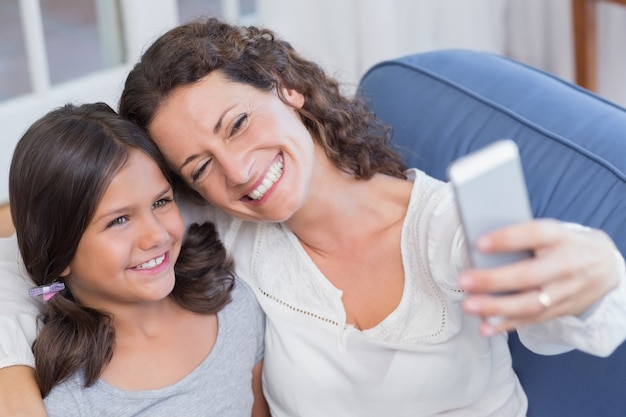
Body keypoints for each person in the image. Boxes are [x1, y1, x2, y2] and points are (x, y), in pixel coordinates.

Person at [1, 17, 625, 416]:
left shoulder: (444, 231)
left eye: (238, 124)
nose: (239, 172)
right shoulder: (224, 229)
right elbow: (31, 247)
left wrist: (596, 268)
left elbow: (565, 290)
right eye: (198, 167)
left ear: (283, 85)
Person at [6, 102, 268, 417]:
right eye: (119, 220)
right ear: (59, 250)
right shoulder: (64, 401)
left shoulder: (234, 303)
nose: (156, 236)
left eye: (161, 201)